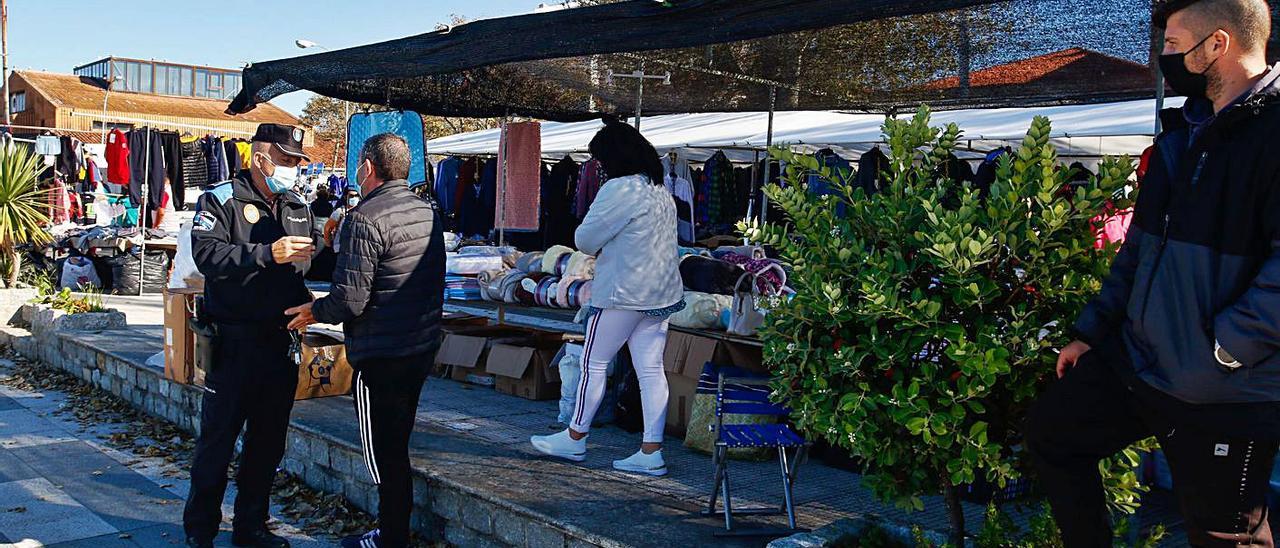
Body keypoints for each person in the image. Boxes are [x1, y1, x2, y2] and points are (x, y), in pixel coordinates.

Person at [1025, 0, 1280, 545]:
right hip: (1139, 359)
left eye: (1171, 44)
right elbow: (1137, 249)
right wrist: (1091, 331)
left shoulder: (1273, 134)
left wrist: (1227, 348)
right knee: (1052, 434)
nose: (1162, 57)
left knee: (1224, 535)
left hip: (1223, 389)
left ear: (1217, 44)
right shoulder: (1179, 137)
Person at [284, 133, 444, 548]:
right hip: (420, 344)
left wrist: (313, 312)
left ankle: (390, 537)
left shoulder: (366, 219)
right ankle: (392, 531)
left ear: (367, 168)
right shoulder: (426, 210)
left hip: (381, 354)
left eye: (359, 165)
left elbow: (350, 300)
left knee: (385, 456)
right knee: (398, 441)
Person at [182, 123, 316, 548]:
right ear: (260, 158)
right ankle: (200, 530)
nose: (293, 168)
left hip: (280, 343)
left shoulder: (297, 205)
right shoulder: (220, 199)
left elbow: (308, 266)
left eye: (297, 161)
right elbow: (206, 256)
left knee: (267, 443)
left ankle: (251, 527)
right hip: (233, 343)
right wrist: (265, 253)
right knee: (217, 443)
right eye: (286, 160)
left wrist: (328, 247)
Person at [529, 118, 684, 476]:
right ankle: (651, 450)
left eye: (599, 160)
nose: (598, 167)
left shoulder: (619, 189)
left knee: (593, 364)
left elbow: (584, 240)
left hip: (622, 293)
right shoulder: (659, 190)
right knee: (650, 371)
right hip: (660, 293)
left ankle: (575, 436)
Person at [324, 187, 362, 253]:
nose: (354, 198)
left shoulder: (361, 211)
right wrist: (328, 244)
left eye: (356, 196)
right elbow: (327, 228)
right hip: (340, 249)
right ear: (345, 197)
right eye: (351, 196)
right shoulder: (339, 212)